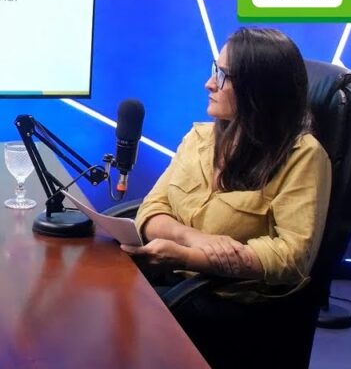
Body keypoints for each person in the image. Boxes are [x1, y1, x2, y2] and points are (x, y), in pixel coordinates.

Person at [122, 27, 331, 368]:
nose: (209, 83)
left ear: (259, 88)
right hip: (175, 281)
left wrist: (189, 258)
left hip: (232, 303)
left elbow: (292, 257)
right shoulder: (199, 139)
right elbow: (153, 207)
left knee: (118, 321)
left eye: (223, 75)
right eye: (213, 70)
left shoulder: (303, 156)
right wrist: (194, 239)